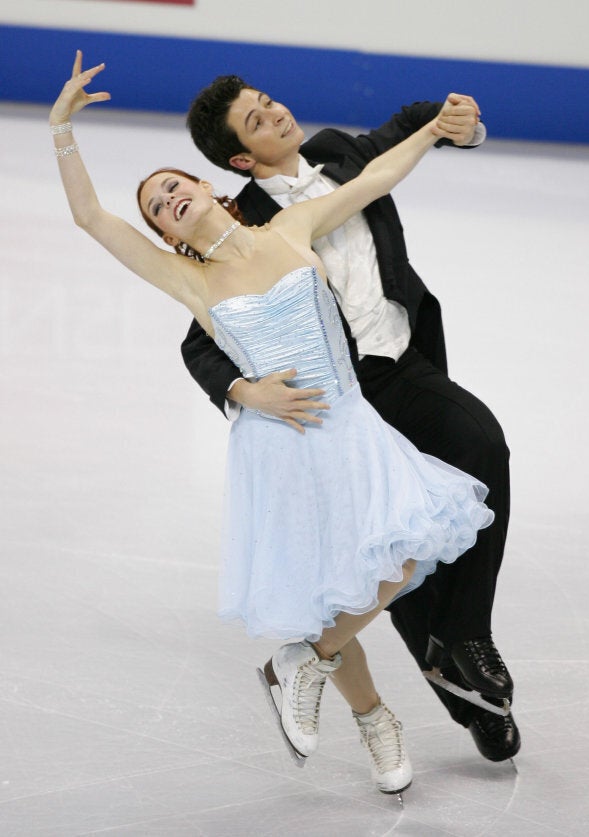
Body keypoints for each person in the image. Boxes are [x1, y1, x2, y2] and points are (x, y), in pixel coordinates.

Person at [51, 51, 496, 796]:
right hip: (280, 442)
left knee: (413, 549)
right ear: (166, 233)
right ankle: (374, 717)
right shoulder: (188, 280)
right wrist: (62, 129)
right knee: (329, 584)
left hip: (350, 421)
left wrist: (434, 133)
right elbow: (90, 217)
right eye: (157, 207)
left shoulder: (290, 226)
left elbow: (373, 178)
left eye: (172, 187)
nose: (167, 202)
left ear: (204, 187)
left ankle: (303, 658)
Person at [182, 77, 520, 759]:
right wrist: (244, 391)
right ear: (241, 158)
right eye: (255, 118)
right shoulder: (239, 226)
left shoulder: (336, 152)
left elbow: (406, 125)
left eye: (267, 100)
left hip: (405, 360)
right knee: (390, 548)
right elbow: (198, 340)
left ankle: (466, 635)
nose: (275, 111)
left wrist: (456, 116)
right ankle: (459, 687)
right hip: (341, 398)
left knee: (482, 445)